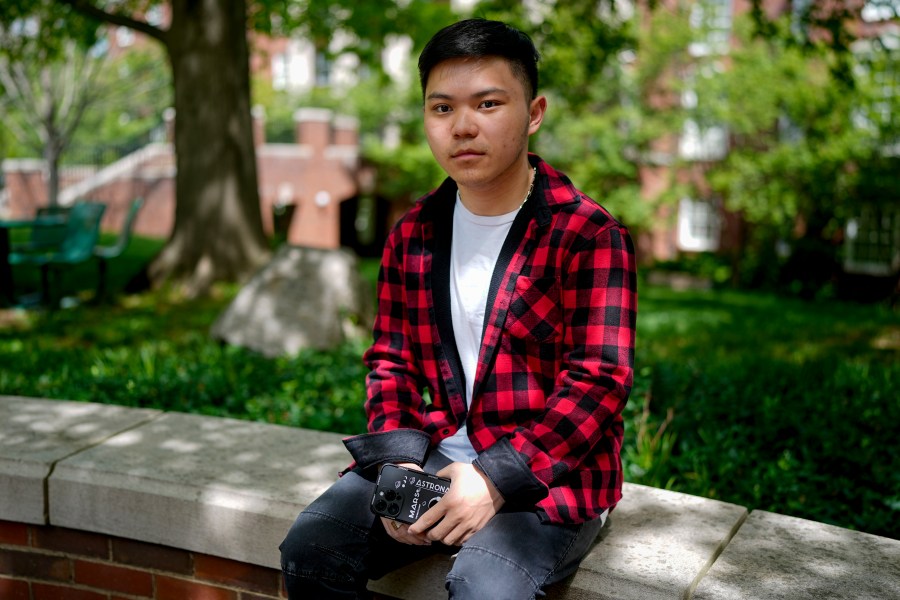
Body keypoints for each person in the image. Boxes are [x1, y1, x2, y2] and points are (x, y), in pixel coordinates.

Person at [280, 17, 637, 599]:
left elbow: (598, 381)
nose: (463, 126)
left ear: (535, 112)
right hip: (436, 455)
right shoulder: (414, 233)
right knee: (312, 546)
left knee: (484, 588)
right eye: (442, 108)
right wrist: (397, 466)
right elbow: (391, 362)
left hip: (548, 475)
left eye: (489, 103)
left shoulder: (587, 234)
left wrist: (494, 480)